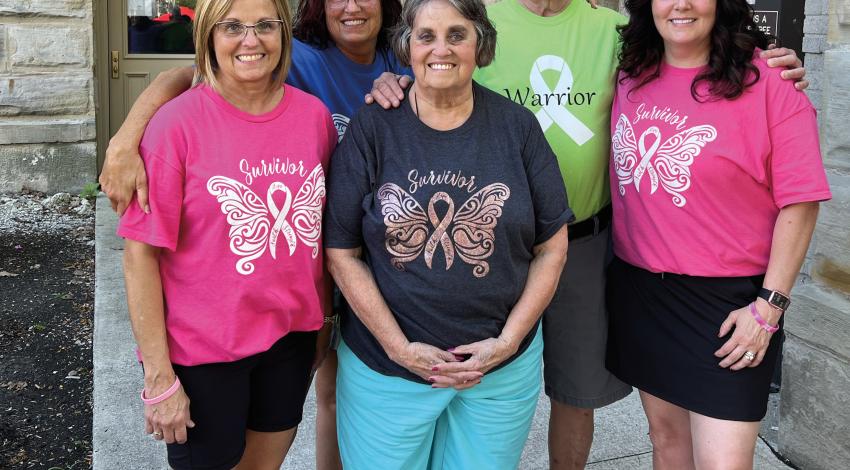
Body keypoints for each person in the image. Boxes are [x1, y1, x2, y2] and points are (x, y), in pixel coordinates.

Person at [366, 0, 808, 467]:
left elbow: (696, 52)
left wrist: (771, 67)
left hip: (584, 244)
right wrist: (391, 79)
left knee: (575, 392)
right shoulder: (478, 19)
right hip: (492, 246)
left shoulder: (616, 30)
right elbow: (435, 66)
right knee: (477, 386)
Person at [100, 0, 407, 467]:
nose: (251, 39)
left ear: (284, 34)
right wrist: (159, 377)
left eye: (265, 25)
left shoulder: (313, 117)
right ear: (208, 36)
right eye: (232, 27)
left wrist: (323, 320)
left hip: (290, 340)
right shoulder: (174, 126)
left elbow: (319, 231)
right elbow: (139, 255)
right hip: (204, 350)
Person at [325, 0, 572, 467]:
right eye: (426, 36)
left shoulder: (517, 126)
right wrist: (399, 348)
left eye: (457, 34)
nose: (442, 48)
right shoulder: (372, 128)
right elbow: (342, 251)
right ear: (407, 46)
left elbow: (551, 247)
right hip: (387, 372)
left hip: (499, 374)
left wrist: (507, 343)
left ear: (480, 43)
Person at [605, 0, 831, 468]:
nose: (681, 4)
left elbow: (801, 202)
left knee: (723, 461)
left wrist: (769, 307)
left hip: (733, 306)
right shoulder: (631, 73)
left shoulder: (770, 83)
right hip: (644, 293)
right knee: (667, 444)